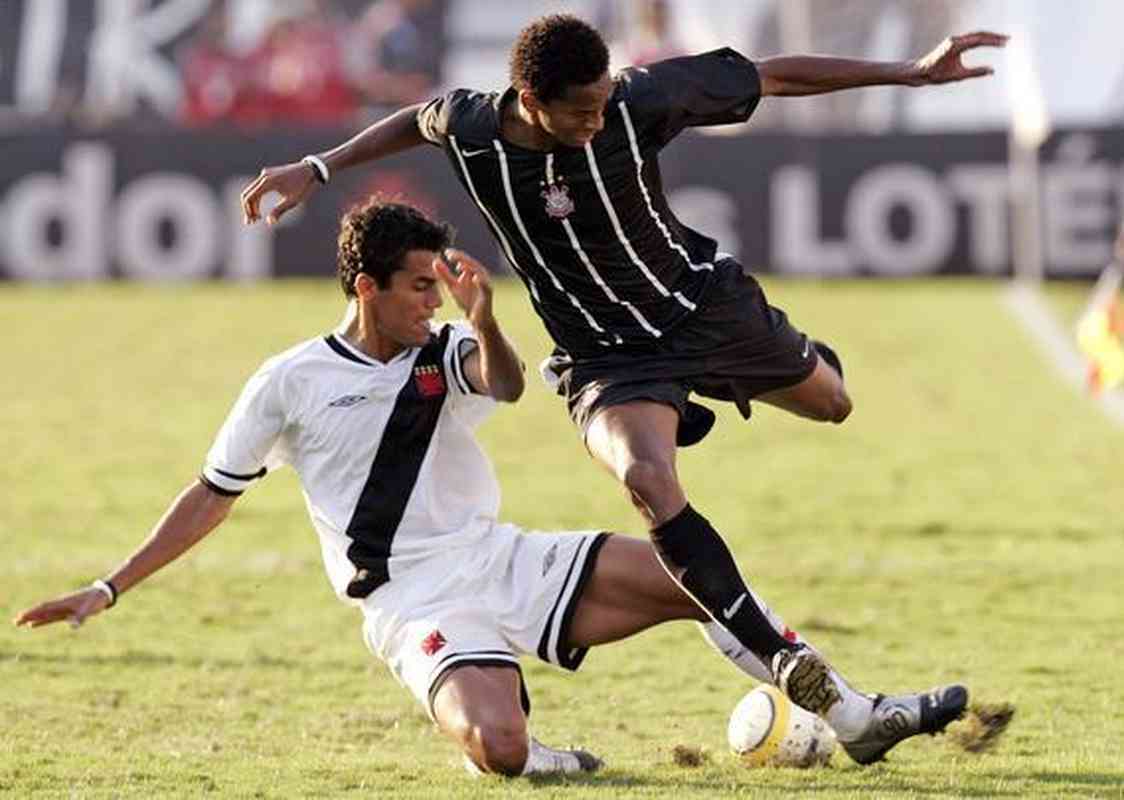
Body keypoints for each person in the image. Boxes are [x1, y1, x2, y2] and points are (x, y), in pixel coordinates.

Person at [239, 17, 1003, 760]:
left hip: (702, 307)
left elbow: (769, 74)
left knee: (832, 401)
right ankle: (813, 684)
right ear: (529, 100)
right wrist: (320, 167)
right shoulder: (475, 128)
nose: (597, 120)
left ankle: (777, 366)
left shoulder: (636, 100)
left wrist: (911, 71)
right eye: (580, 112)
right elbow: (416, 118)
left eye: (603, 103)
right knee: (644, 477)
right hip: (606, 358)